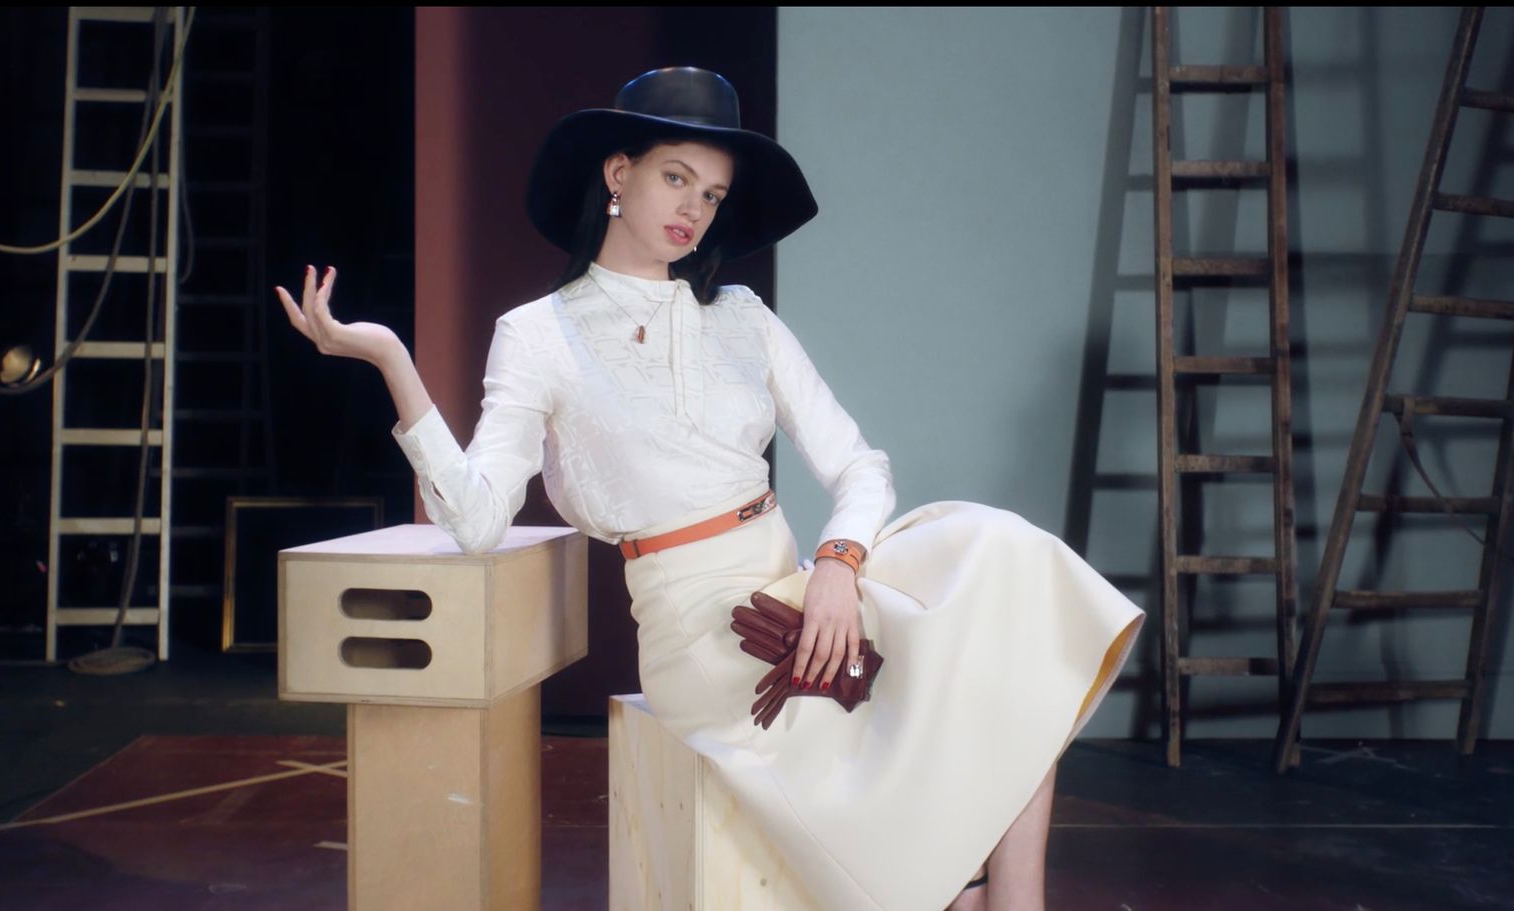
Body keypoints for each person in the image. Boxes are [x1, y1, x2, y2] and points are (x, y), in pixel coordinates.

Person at [277, 66, 1143, 911]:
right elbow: (473, 518)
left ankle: (1012, 899)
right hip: (705, 636)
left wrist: (839, 565)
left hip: (808, 587)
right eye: (675, 177)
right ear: (619, 175)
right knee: (944, 683)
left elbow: (860, 466)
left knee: (1002, 582)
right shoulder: (538, 335)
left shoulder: (741, 318)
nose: (692, 208)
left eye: (713, 194)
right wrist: (390, 357)